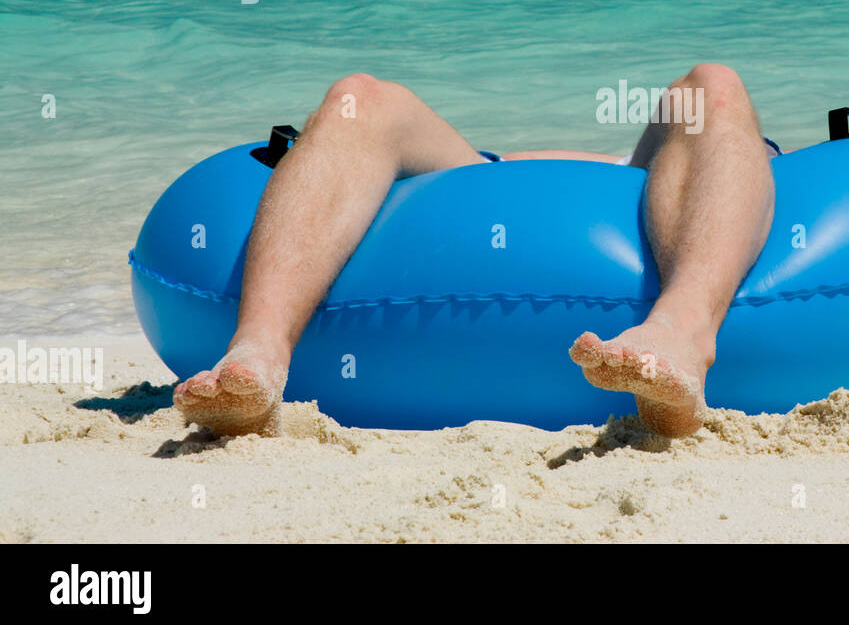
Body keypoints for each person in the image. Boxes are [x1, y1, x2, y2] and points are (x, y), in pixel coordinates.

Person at [172, 63, 778, 438]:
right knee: (359, 95)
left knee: (713, 86)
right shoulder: (483, 184)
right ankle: (258, 354)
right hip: (478, 176)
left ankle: (683, 332)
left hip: (651, 176)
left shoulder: (700, 169)